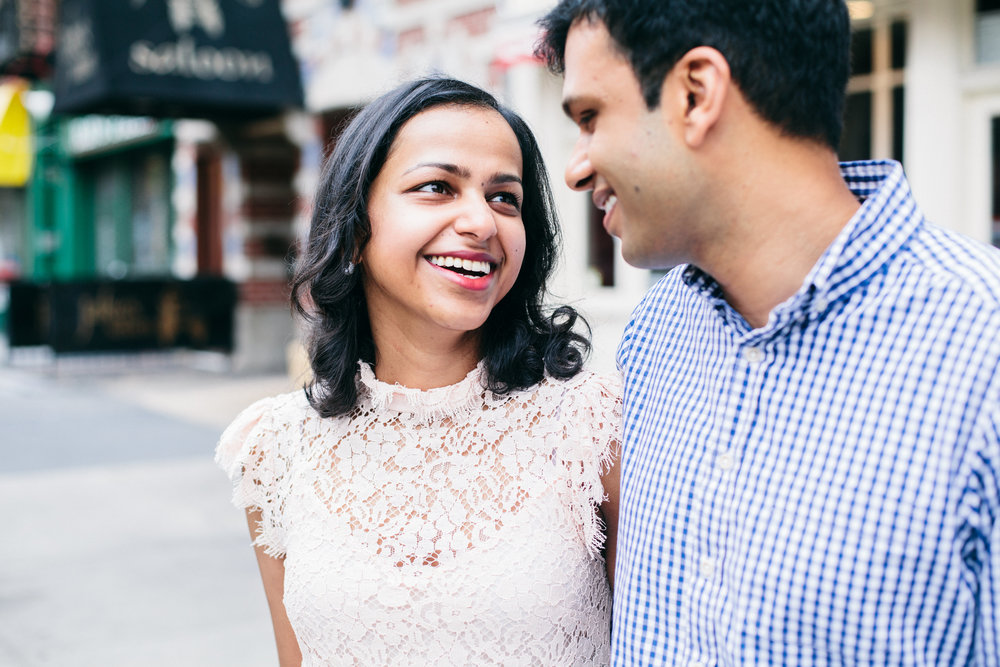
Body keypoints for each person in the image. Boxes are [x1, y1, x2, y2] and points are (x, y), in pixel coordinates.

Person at [537, 0, 1000, 664]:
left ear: (696, 93)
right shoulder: (653, 339)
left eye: (590, 118)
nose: (576, 168)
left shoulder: (984, 345)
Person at [215, 76, 621, 666]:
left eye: (505, 197)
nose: (482, 222)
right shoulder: (274, 449)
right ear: (354, 231)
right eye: (437, 187)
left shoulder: (593, 426)